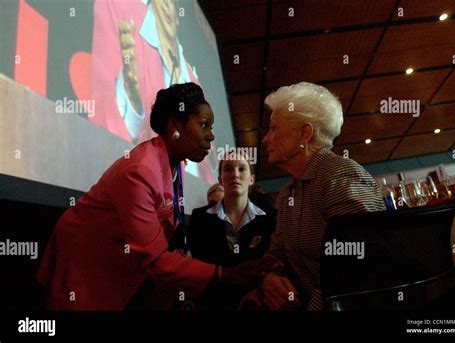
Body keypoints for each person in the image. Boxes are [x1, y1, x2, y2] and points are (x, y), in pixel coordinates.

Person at [37, 83, 278, 310]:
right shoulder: (140, 171)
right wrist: (227, 274)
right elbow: (155, 261)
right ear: (175, 127)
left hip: (119, 270)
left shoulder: (176, 164)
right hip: (84, 270)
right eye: (204, 125)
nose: (211, 136)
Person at [243, 82, 386, 311]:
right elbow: (276, 254)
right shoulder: (287, 194)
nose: (265, 140)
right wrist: (268, 279)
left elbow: (360, 264)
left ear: (304, 133)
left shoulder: (341, 175)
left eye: (273, 128)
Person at [90, 0, 214, 183]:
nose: (166, 6)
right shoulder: (119, 12)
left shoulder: (192, 77)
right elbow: (102, 118)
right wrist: (130, 96)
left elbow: (207, 170)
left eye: (172, 2)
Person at [185, 150, 277, 309]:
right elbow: (199, 269)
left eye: (242, 169)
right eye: (228, 169)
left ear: (252, 179)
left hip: (258, 303)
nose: (235, 174)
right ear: (220, 179)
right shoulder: (200, 218)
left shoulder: (269, 217)